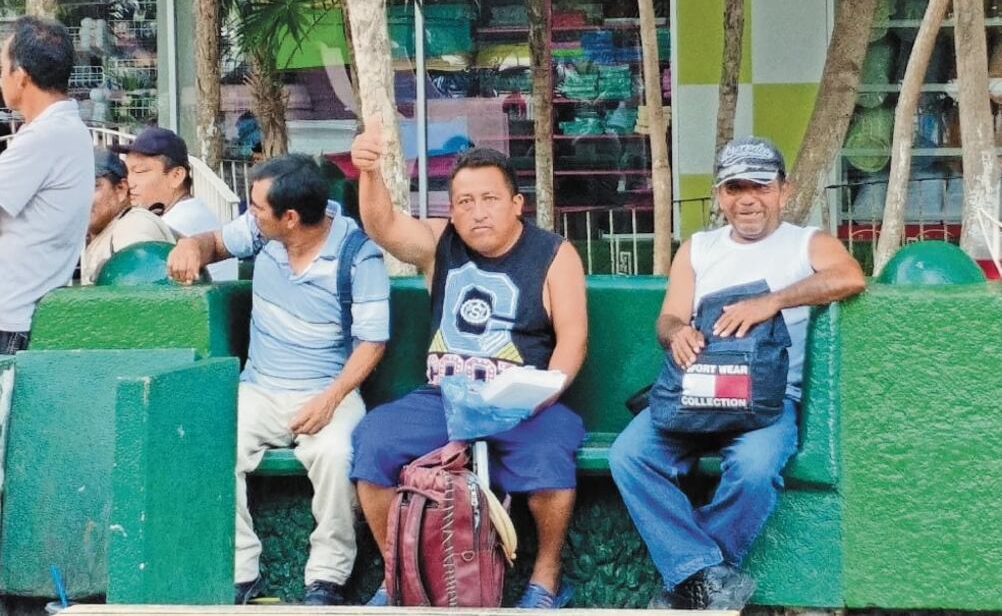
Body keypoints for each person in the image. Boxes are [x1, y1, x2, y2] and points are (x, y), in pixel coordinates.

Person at [609, 137, 866, 610]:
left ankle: (691, 579)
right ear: (720, 195)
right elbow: (668, 317)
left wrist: (772, 301)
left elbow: (850, 277)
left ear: (783, 192)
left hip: (767, 400)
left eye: (760, 186)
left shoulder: (806, 242)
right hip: (694, 392)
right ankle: (706, 578)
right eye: (734, 187)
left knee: (754, 469)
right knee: (628, 455)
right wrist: (676, 335)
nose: (747, 199)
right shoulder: (699, 248)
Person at [349, 118, 588, 609]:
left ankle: (546, 579)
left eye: (490, 199)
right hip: (445, 398)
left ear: (517, 204)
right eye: (464, 202)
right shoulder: (441, 243)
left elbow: (573, 339)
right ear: (452, 211)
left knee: (549, 461)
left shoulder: (554, 253)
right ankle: (400, 576)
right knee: (373, 444)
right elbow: (384, 227)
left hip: (523, 403)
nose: (477, 213)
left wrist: (541, 396)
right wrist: (369, 173)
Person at [166, 154, 390, 606]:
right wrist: (192, 245)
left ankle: (326, 579)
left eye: (258, 207)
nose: (250, 214)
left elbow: (372, 342)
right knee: (212, 442)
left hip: (330, 388)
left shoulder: (357, 255)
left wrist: (329, 400)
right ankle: (240, 572)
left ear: (290, 218)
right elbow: (213, 242)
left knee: (336, 454)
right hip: (261, 388)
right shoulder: (259, 231)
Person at [0, 16, 93, 354]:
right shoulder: (64, 130)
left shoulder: (46, 137)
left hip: (10, 318)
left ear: (21, 77)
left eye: (1, 69)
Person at [112, 126, 238, 281]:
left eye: (139, 172)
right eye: (127, 172)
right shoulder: (191, 211)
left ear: (176, 176)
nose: (129, 182)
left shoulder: (179, 221)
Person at [81, 148, 175, 285]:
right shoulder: (107, 230)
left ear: (121, 189)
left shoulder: (132, 227)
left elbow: (142, 296)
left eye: (92, 186)